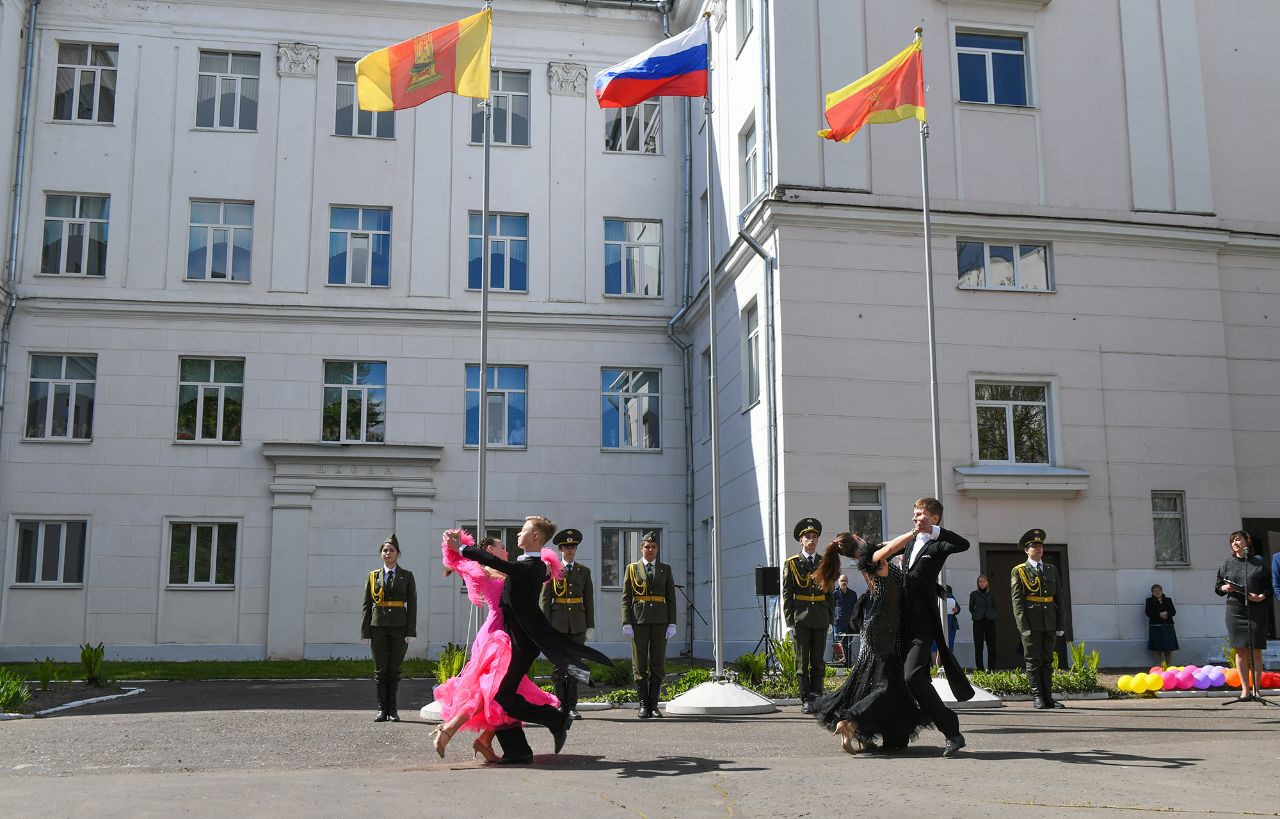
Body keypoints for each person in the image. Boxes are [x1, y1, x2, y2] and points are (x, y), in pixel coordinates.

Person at [443, 517, 611, 763]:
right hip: (517, 641)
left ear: (534, 538)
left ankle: (557, 719)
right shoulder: (530, 565)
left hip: (523, 644)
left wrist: (462, 549)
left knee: (503, 697)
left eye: (523, 531)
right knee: (503, 697)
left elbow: (492, 561)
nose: (518, 534)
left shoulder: (531, 566)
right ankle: (553, 723)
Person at [432, 533, 562, 762]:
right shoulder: (482, 571)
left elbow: (535, 578)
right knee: (489, 691)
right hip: (496, 636)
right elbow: (456, 561)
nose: (507, 550)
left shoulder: (508, 570)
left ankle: (484, 740)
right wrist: (452, 543)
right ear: (490, 551)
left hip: (509, 635)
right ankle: (450, 729)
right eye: (502, 546)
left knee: (505, 692)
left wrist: (549, 564)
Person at [812, 531, 929, 753]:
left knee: (874, 681)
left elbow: (891, 547)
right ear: (857, 538)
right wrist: (915, 532)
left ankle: (868, 732)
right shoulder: (873, 557)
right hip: (882, 630)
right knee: (886, 683)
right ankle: (850, 721)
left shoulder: (865, 559)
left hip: (882, 627)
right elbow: (892, 547)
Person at [879, 497, 973, 757]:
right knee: (899, 680)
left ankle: (952, 731)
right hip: (902, 622)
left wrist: (934, 531)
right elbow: (885, 554)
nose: (915, 518)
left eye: (920, 513)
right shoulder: (910, 544)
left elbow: (963, 544)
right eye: (914, 513)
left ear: (934, 518)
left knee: (913, 678)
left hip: (922, 624)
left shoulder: (939, 543)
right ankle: (896, 735)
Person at [360, 533, 417, 723]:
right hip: (378, 627)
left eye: (391, 550)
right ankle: (381, 710)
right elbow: (367, 605)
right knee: (380, 670)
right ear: (380, 554)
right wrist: (365, 631)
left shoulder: (407, 576)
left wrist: (410, 631)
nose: (388, 553)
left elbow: (413, 605)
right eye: (385, 550)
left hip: (399, 627)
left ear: (398, 554)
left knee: (394, 670)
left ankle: (393, 710)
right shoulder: (373, 577)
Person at [539, 528, 595, 720]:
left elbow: (589, 600)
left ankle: (571, 706)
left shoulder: (584, 571)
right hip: (557, 624)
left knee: (575, 665)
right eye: (566, 547)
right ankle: (559, 704)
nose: (570, 550)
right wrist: (544, 626)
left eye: (573, 546)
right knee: (558, 666)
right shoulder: (552, 570)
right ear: (560, 549)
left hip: (578, 624)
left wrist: (590, 625)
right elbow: (546, 599)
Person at [621, 531, 677, 719]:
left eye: (653, 547)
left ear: (657, 549)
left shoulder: (665, 569)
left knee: (658, 663)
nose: (650, 549)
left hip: (661, 622)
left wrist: (672, 623)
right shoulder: (631, 569)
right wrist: (626, 622)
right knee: (640, 664)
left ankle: (654, 705)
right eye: (647, 546)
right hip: (639, 621)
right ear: (641, 548)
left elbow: (671, 598)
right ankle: (643, 705)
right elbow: (626, 598)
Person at [783, 517, 835, 713]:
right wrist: (789, 622)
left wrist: (831, 619)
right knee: (802, 663)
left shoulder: (825, 562)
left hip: (821, 617)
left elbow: (829, 592)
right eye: (807, 537)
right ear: (801, 540)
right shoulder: (793, 563)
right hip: (801, 618)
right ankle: (806, 699)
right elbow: (787, 594)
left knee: (818, 661)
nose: (811, 540)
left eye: (814, 537)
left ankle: (817, 697)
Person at [1011, 528, 1066, 710]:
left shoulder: (1051, 570)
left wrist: (1060, 623)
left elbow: (1058, 597)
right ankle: (1037, 697)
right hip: (1031, 622)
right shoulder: (1019, 571)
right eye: (1034, 546)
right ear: (1026, 550)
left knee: (1047, 659)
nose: (1038, 548)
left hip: (1049, 620)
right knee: (1033, 660)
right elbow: (1017, 600)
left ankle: (1048, 697)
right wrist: (1022, 625)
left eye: (1040, 546)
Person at [1215, 530, 1270, 702]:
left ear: (1247, 541)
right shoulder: (1227, 564)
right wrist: (1224, 588)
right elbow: (1217, 587)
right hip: (1235, 611)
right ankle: (1245, 690)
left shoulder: (1258, 562)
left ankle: (1257, 690)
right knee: (1240, 651)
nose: (1235, 543)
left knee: (1256, 652)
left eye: (1238, 540)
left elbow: (1269, 585)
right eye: (1232, 541)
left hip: (1256, 610)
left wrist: (1261, 596)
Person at [1144, 584, 1178, 666]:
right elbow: (1148, 613)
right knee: (1157, 648)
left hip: (1168, 626)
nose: (1157, 592)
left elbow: (1173, 611)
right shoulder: (1149, 600)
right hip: (1155, 627)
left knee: (1168, 647)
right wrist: (1159, 614)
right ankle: (1159, 666)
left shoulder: (1168, 600)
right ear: (1152, 592)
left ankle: (1169, 665)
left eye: (1158, 590)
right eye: (1155, 591)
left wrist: (1167, 613)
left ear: (1161, 591)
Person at [969, 575, 998, 671]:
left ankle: (992, 668)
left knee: (991, 645)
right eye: (980, 582)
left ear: (987, 582)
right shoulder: (974, 594)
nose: (982, 583)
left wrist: (991, 614)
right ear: (978, 583)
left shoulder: (992, 594)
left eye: (983, 581)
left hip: (989, 620)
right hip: (978, 621)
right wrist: (977, 614)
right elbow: (971, 608)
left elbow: (995, 606)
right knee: (978, 645)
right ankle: (980, 669)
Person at [832, 574, 858, 667]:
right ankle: (838, 666)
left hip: (848, 624)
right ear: (839, 582)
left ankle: (848, 665)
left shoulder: (853, 594)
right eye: (842, 580)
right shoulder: (834, 593)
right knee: (837, 645)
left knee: (848, 645)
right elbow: (831, 608)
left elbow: (856, 609)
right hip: (837, 623)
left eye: (845, 580)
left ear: (847, 582)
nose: (844, 582)